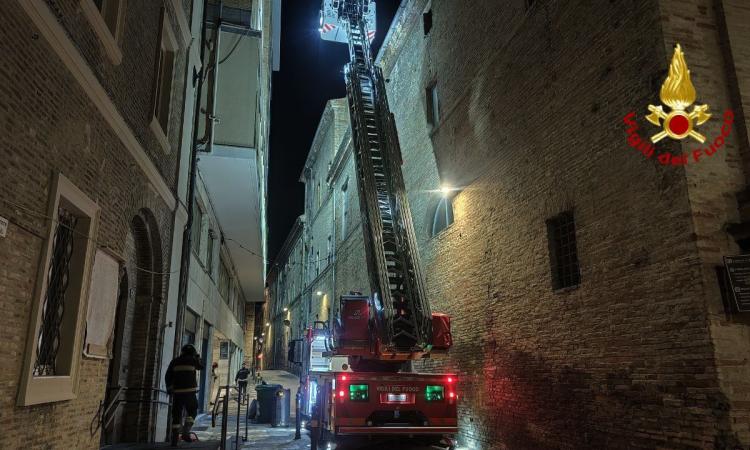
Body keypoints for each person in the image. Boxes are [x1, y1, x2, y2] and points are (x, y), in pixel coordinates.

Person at [165, 344, 204, 446]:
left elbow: (168, 375)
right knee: (192, 410)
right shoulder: (193, 360)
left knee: (176, 415)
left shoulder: (175, 361)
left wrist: (169, 388)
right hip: (190, 392)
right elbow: (201, 367)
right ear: (192, 353)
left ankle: (174, 439)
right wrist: (198, 358)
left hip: (177, 392)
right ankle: (186, 431)